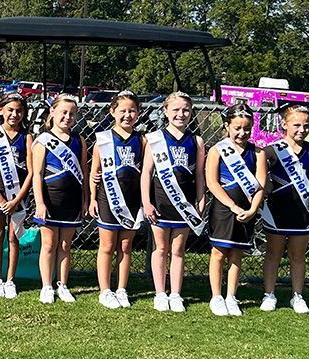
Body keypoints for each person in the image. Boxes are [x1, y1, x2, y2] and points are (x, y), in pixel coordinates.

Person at [260, 105, 309, 314]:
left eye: (306, 125)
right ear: (284, 125)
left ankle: (297, 296)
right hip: (276, 211)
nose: (301, 129)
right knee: (272, 254)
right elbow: (257, 164)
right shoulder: (272, 150)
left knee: (297, 256)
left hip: (302, 212)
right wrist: (265, 185)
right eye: (296, 125)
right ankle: (269, 294)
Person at [141, 92, 206, 312]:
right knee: (160, 248)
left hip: (184, 204)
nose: (181, 114)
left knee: (178, 249)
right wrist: (146, 202)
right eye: (176, 110)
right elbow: (146, 173)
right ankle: (160, 293)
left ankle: (176, 293)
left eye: (185, 110)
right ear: (165, 111)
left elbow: (199, 174)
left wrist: (201, 198)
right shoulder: (154, 139)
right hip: (160, 202)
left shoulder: (196, 141)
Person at [206, 103, 267, 317]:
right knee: (218, 253)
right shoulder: (216, 150)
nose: (242, 133)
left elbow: (261, 184)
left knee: (237, 253)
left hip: (246, 211)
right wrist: (231, 205)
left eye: (247, 129)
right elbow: (212, 183)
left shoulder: (257, 153)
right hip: (223, 210)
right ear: (227, 126)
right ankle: (216, 296)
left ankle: (231, 296)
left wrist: (252, 210)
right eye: (237, 128)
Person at [89, 91, 145, 309]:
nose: (127, 115)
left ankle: (121, 289)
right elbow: (95, 173)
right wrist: (93, 199)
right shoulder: (102, 140)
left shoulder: (142, 140)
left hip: (132, 200)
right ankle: (105, 290)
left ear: (138, 113)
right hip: (107, 199)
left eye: (132, 111)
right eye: (122, 111)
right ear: (113, 112)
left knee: (125, 245)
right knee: (107, 245)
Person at [32, 94, 89, 304]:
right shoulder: (42, 140)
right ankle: (47, 286)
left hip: (72, 200)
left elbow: (83, 171)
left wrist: (85, 199)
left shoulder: (79, 140)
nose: (68, 117)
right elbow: (36, 174)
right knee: (48, 244)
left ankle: (62, 285)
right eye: (63, 112)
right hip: (50, 199)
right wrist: (40, 202)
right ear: (52, 112)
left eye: (72, 113)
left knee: (65, 245)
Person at [0, 92, 33, 299]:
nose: (14, 114)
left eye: (19, 111)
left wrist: (16, 199)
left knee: (13, 237)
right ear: (0, 111)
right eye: (10, 110)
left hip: (18, 196)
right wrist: (2, 200)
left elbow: (31, 171)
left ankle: (10, 280)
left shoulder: (27, 137)